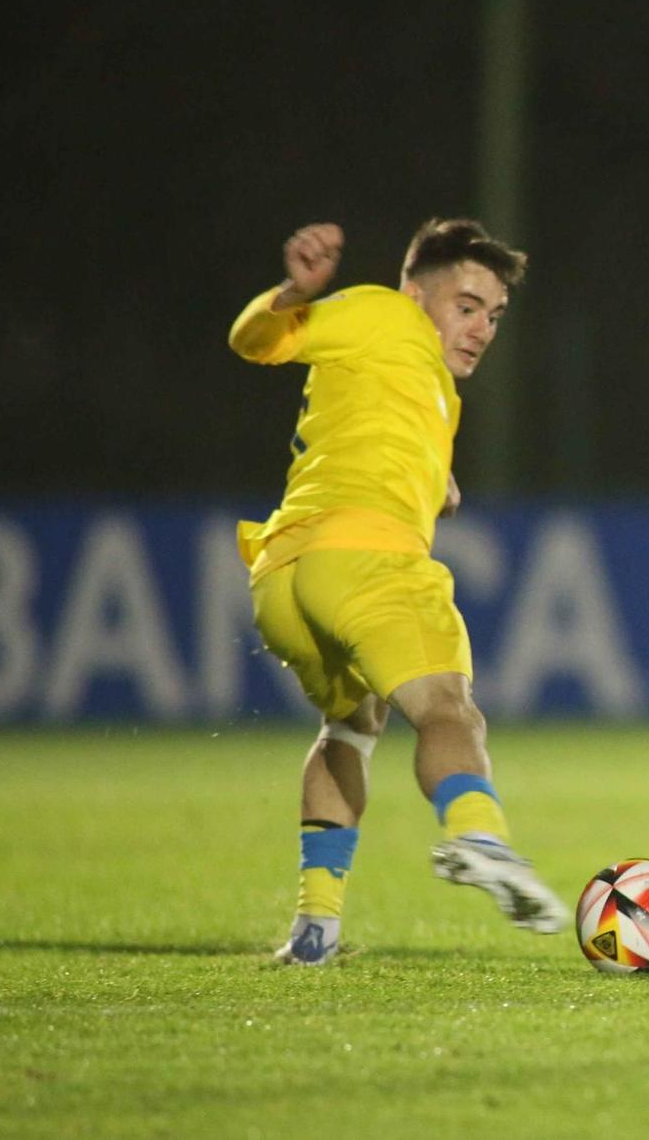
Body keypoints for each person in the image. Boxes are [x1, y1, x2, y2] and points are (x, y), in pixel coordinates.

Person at [229, 218, 568, 965]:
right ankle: (479, 835)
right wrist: (294, 293)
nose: (481, 328)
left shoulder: (430, 388)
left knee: (350, 725)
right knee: (448, 706)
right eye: (467, 305)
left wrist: (433, 480)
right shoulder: (384, 312)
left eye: (494, 315)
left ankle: (314, 928)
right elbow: (258, 341)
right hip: (364, 556)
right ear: (417, 293)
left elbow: (370, 429)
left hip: (284, 578)